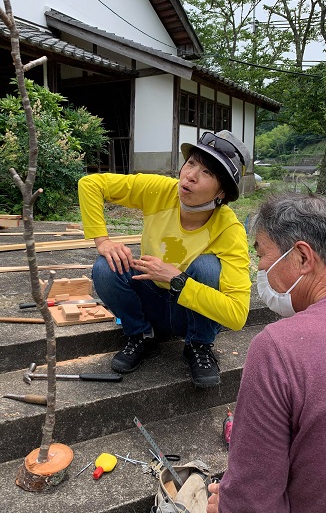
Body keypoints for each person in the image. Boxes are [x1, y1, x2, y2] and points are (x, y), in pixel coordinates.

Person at [78, 130, 251, 388]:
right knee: (105, 267)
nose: (191, 176)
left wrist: (178, 280)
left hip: (190, 314)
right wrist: (103, 241)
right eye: (191, 163)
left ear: (222, 193)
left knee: (207, 266)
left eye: (208, 173)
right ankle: (140, 335)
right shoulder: (159, 191)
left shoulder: (229, 229)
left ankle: (198, 345)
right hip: (150, 299)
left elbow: (237, 315)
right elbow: (91, 184)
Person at [207, 192, 326, 513]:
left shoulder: (279, 349)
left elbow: (252, 502)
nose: (258, 267)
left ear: (303, 257)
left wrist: (226, 505)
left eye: (261, 253)